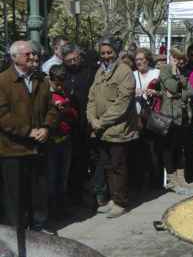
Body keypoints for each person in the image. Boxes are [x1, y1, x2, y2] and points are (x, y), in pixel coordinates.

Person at [0, 40, 57, 234]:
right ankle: (16, 235)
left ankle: (39, 229)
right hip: (12, 150)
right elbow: (2, 116)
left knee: (38, 192)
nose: (34, 57)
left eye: (34, 54)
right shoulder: (3, 81)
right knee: (15, 196)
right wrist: (28, 131)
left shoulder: (42, 79)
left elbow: (52, 108)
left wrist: (47, 128)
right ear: (14, 57)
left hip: (37, 148)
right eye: (28, 54)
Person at [87, 37, 139, 218]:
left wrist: (101, 122)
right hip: (101, 129)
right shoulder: (100, 71)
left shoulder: (125, 71)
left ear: (116, 52)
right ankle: (112, 198)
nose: (106, 56)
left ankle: (120, 202)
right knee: (108, 165)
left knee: (118, 166)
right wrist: (92, 118)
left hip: (119, 129)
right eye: (103, 53)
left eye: (109, 52)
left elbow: (122, 104)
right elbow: (92, 97)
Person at [61, 43, 98, 207]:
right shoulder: (63, 74)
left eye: (76, 59)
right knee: (70, 163)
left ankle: (86, 193)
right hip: (68, 126)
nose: (74, 63)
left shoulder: (89, 71)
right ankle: (71, 194)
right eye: (70, 61)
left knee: (86, 161)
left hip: (86, 123)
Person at [157, 49, 193, 192]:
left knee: (180, 147)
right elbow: (171, 87)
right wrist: (173, 72)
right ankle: (172, 180)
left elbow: (190, 91)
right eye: (177, 58)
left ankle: (181, 178)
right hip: (169, 114)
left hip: (183, 115)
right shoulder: (165, 69)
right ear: (172, 58)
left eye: (182, 59)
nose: (180, 61)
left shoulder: (183, 72)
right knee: (168, 148)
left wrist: (178, 93)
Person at [46, 64, 78, 218]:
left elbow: (74, 114)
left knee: (63, 178)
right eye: (56, 83)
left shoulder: (64, 93)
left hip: (65, 140)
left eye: (62, 83)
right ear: (50, 79)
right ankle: (52, 210)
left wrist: (66, 110)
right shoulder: (45, 94)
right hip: (51, 142)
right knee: (52, 178)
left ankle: (61, 208)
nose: (59, 86)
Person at [132, 48, 162, 192]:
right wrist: (133, 92)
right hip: (137, 118)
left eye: (141, 59)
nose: (139, 62)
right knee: (138, 151)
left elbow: (165, 93)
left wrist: (155, 92)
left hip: (153, 116)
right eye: (136, 60)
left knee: (154, 150)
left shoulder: (156, 73)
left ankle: (155, 183)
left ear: (148, 59)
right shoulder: (132, 75)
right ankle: (139, 182)